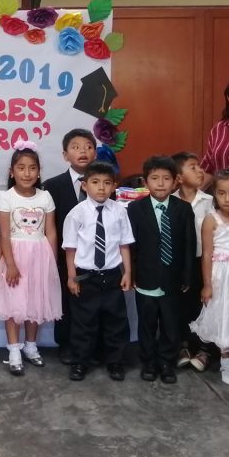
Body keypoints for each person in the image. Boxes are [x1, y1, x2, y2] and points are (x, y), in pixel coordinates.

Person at [0, 141, 61, 376]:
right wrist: (10, 263)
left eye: (32, 168)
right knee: (15, 305)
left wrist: (51, 261)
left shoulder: (45, 197)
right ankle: (13, 349)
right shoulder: (5, 197)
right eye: (21, 168)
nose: (27, 173)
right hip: (15, 256)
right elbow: (3, 233)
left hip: (39, 256)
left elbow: (50, 231)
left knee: (35, 302)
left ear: (39, 171)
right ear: (12, 172)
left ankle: (31, 346)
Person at [127, 156, 197, 384]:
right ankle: (148, 361)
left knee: (171, 323)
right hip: (145, 278)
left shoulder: (184, 210)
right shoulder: (135, 208)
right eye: (154, 178)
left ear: (175, 181)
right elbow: (131, 246)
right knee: (146, 323)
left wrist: (187, 275)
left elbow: (189, 245)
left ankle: (167, 361)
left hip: (173, 279)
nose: (160, 183)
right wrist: (132, 274)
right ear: (145, 181)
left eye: (166, 178)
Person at [62, 160, 134, 382]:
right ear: (85, 186)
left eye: (106, 183)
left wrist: (127, 272)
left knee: (116, 322)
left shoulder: (120, 212)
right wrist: (71, 277)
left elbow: (124, 245)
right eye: (95, 182)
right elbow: (71, 249)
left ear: (114, 186)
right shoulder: (76, 214)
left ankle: (115, 362)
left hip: (112, 275)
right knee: (84, 323)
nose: (101, 188)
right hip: (86, 276)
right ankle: (80, 362)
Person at [189, 168, 229, 384]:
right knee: (225, 317)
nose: (227, 198)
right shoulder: (211, 219)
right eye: (221, 193)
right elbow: (206, 254)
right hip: (221, 276)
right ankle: (227, 362)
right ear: (214, 194)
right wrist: (207, 284)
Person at [45, 129, 98, 364]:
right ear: (65, 155)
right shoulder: (52, 186)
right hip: (64, 255)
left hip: (96, 255)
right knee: (66, 300)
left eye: (88, 146)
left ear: (95, 153)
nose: (83, 151)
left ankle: (95, 346)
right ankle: (65, 344)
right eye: (76, 147)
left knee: (94, 302)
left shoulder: (103, 183)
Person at [171, 151, 214, 372]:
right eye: (193, 166)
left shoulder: (209, 201)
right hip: (180, 263)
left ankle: (205, 349)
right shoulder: (171, 201)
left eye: (200, 166)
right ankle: (184, 346)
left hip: (204, 261)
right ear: (178, 177)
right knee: (182, 305)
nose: (200, 170)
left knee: (204, 304)